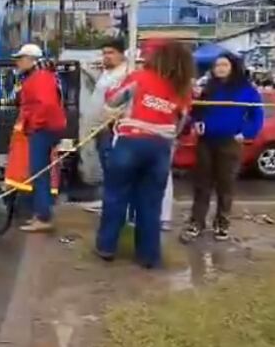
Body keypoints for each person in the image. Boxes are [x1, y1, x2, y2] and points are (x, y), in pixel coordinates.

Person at [95, 41, 194, 269]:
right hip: (160, 148)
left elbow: (113, 99)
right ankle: (148, 256)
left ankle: (107, 246)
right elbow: (182, 122)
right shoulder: (181, 88)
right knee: (150, 204)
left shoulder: (141, 77)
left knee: (115, 196)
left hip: (131, 142)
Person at [181, 53, 264, 243]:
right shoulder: (208, 88)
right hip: (205, 142)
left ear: (233, 67)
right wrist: (197, 122)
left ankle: (222, 224)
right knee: (202, 185)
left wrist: (245, 133)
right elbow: (195, 111)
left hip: (230, 144)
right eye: (217, 65)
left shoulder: (246, 90)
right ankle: (196, 223)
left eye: (224, 65)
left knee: (225, 186)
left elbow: (256, 115)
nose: (220, 68)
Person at [12, 44, 67, 233]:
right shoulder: (42, 76)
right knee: (39, 172)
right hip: (46, 128)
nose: (17, 62)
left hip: (43, 129)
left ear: (31, 60)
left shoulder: (41, 78)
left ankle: (43, 216)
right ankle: (41, 214)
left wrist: (34, 125)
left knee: (39, 173)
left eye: (21, 58)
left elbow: (46, 104)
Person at [83, 39, 128, 213]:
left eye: (111, 53)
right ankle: (107, 200)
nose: (106, 57)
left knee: (113, 167)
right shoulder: (106, 73)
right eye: (104, 53)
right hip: (99, 128)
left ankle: (114, 204)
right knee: (105, 166)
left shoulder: (124, 74)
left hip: (111, 128)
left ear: (121, 54)